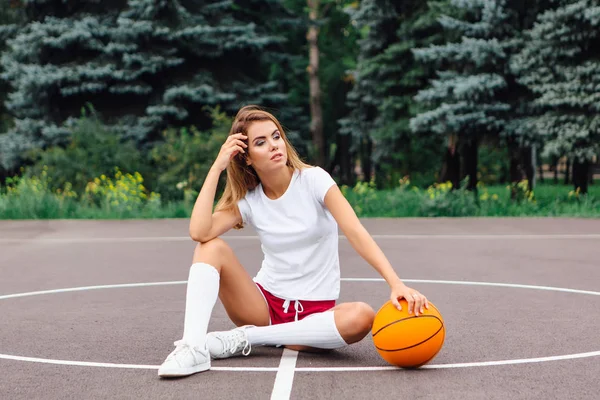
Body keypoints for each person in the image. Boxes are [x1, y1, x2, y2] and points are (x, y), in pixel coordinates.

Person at [157, 105, 429, 378]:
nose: (274, 145)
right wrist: (218, 166)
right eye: (260, 142)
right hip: (262, 306)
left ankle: (250, 339)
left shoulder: (314, 181)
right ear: (247, 157)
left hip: (315, 315)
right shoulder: (250, 199)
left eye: (276, 136)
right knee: (210, 247)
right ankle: (193, 347)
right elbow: (200, 232)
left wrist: (396, 283)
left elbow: (356, 232)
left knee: (362, 316)